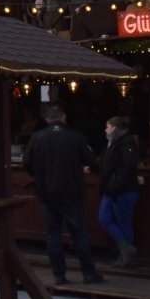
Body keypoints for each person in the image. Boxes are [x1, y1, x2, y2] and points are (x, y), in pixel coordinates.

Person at [23, 105, 104, 285]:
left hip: (47, 192)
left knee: (53, 233)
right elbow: (91, 160)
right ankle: (88, 273)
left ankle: (59, 274)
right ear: (64, 118)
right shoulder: (75, 137)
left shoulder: (37, 137)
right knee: (79, 233)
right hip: (72, 190)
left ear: (47, 120)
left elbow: (27, 163)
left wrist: (39, 176)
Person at [98, 116, 141, 267]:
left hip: (123, 189)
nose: (105, 130)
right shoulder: (112, 143)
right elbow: (104, 162)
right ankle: (126, 248)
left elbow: (127, 167)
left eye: (107, 127)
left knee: (123, 221)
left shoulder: (126, 143)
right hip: (112, 188)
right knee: (105, 218)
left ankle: (125, 254)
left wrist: (115, 184)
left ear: (115, 128)